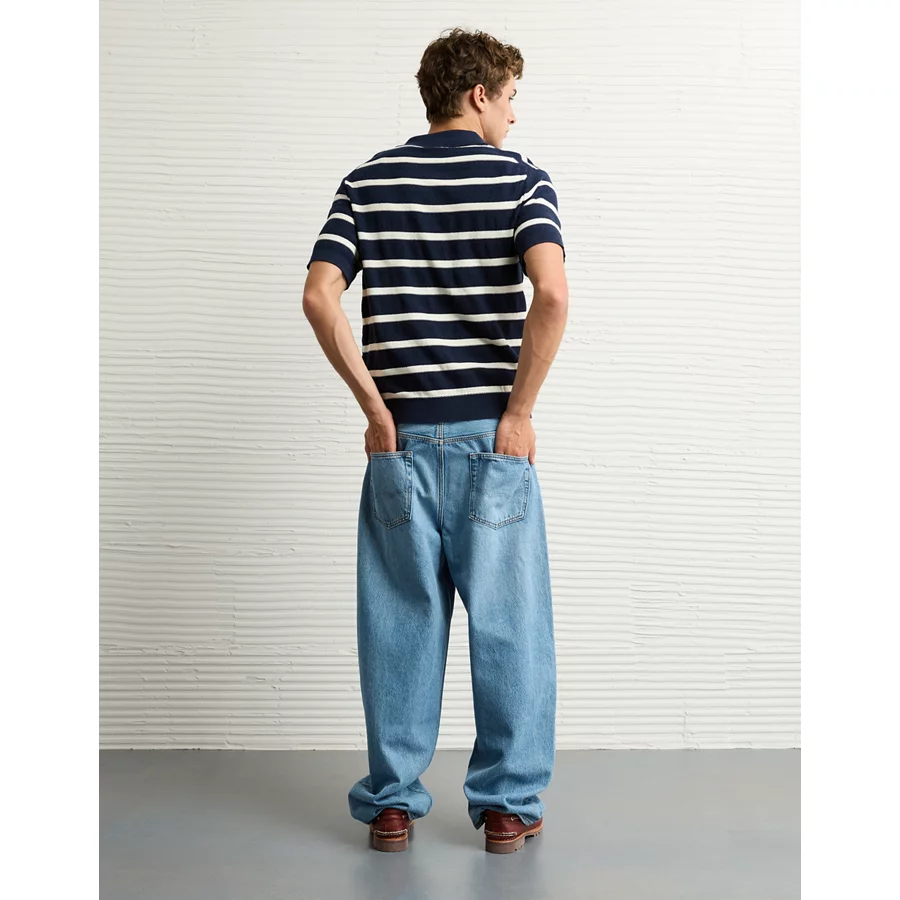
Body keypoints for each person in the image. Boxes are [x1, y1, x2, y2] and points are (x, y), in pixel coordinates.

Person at [302, 27, 568, 854]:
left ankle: (391, 803)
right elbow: (553, 294)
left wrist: (374, 409)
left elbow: (319, 294)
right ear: (478, 95)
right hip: (493, 445)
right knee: (510, 627)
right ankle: (507, 807)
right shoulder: (521, 180)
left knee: (399, 626)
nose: (515, 116)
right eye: (510, 97)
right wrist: (518, 414)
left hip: (401, 447)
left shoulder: (368, 181)